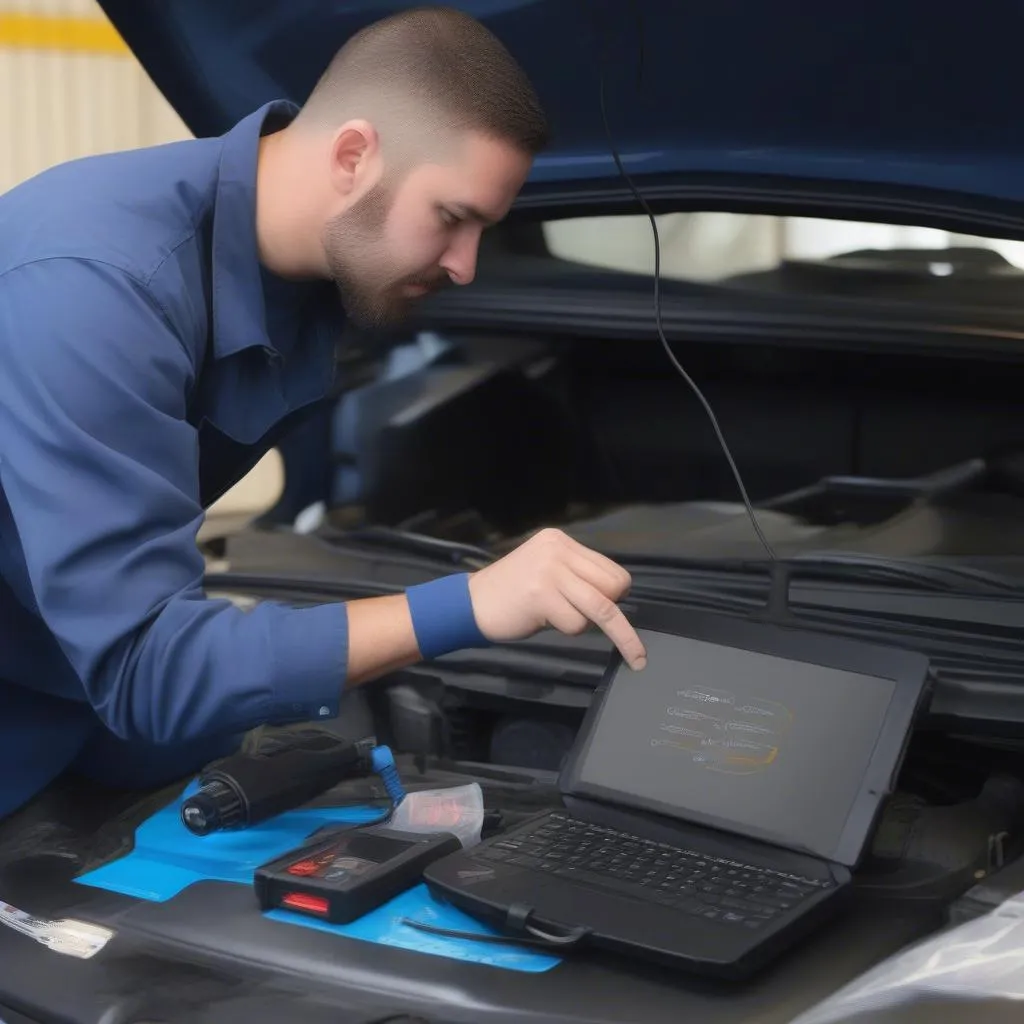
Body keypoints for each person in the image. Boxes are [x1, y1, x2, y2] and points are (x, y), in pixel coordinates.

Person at [0, 6, 646, 822]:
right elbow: (147, 671)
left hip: (80, 710)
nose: (467, 267)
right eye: (452, 218)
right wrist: (467, 603)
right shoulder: (96, 287)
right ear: (353, 155)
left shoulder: (315, 280)